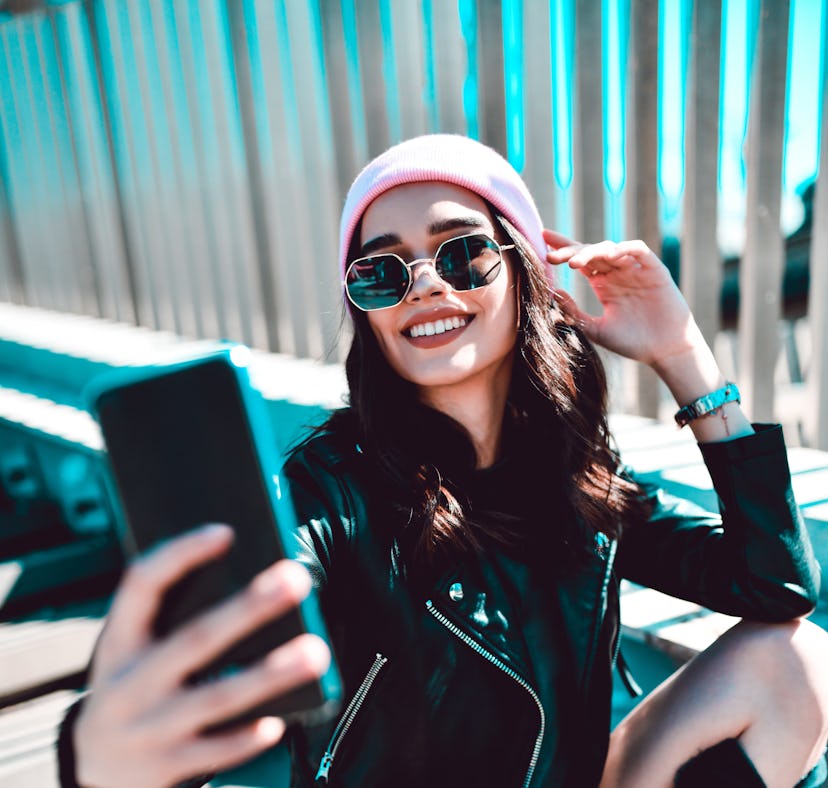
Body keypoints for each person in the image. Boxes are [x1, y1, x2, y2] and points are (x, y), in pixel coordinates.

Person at [58, 134, 828, 787]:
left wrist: (682, 356)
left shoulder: (577, 478)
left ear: (525, 276)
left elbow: (777, 584)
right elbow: (240, 640)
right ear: (367, 312)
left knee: (797, 660)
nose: (424, 284)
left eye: (461, 255)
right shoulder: (333, 494)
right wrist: (101, 751)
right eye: (381, 272)